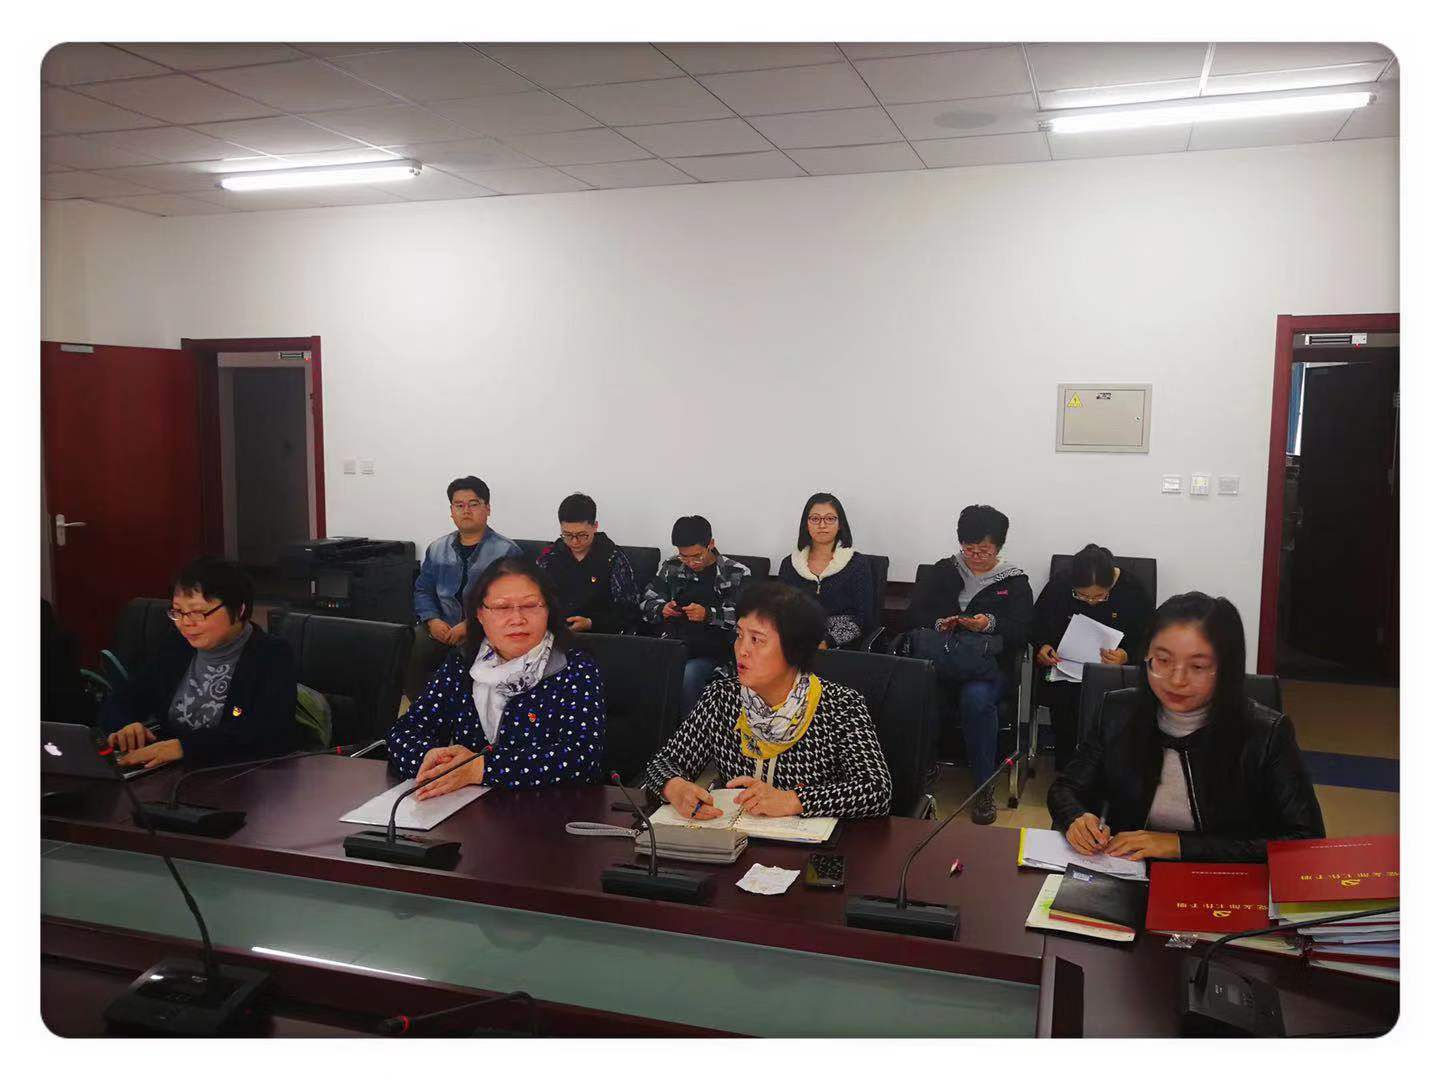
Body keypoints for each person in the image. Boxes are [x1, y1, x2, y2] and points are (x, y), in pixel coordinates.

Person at [1048, 592, 1324, 862]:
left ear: (1227, 668)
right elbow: (1066, 788)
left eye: (1198, 666)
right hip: (1129, 869)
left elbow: (1305, 840)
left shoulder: (1267, 733)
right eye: (1163, 660)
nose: (1176, 680)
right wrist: (1076, 817)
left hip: (1225, 881)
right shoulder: (1117, 711)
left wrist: (1180, 846)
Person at [641, 581, 891, 819]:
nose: (742, 650)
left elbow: (877, 790)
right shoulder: (721, 698)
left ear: (794, 649)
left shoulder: (841, 706)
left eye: (757, 640)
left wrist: (793, 800)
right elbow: (663, 763)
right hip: (737, 839)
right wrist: (674, 787)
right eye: (739, 635)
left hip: (809, 844)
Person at [387, 558, 606, 797]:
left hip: (554, 808)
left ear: (548, 610)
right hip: (466, 807)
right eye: (502, 608)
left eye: (530, 605)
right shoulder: (463, 664)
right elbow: (405, 731)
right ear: (480, 614)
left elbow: (581, 756)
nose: (517, 619)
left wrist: (481, 768)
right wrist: (430, 757)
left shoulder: (574, 667)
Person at [100, 558, 299, 768]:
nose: (185, 623)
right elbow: (123, 699)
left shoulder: (271, 654)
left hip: (237, 774)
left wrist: (184, 748)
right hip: (168, 772)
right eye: (178, 612)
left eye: (197, 612)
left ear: (239, 610)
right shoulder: (178, 645)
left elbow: (269, 734)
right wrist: (126, 725)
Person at [905, 504, 1033, 825]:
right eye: (969, 548)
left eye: (984, 550)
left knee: (976, 699)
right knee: (917, 691)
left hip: (987, 668)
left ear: (998, 547)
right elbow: (915, 614)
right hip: (941, 660)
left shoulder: (1014, 582)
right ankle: (920, 772)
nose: (975, 556)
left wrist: (988, 623)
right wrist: (941, 623)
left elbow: (1023, 631)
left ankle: (983, 786)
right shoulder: (943, 570)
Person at [1031, 544, 1154, 772]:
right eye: (1082, 595)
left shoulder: (1132, 590)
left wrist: (1127, 654)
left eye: (1099, 596)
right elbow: (1036, 622)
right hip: (1065, 668)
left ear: (1111, 584)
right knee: (1064, 698)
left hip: (1113, 671)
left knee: (1109, 702)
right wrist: (1043, 645)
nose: (1091, 602)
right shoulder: (1061, 583)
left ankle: (1106, 769)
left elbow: (1149, 636)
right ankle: (1068, 769)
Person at [408, 476, 522, 699]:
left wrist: (472, 625)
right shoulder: (437, 548)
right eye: (459, 505)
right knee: (408, 645)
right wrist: (432, 620)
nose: (466, 511)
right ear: (451, 511)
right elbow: (423, 590)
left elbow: (512, 602)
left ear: (487, 508)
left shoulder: (507, 552)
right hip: (442, 628)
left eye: (473, 504)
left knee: (467, 660)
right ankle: (422, 711)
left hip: (487, 632)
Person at [640, 515, 752, 718]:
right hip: (673, 644)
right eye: (684, 556)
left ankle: (690, 731)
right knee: (640, 667)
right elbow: (646, 601)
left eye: (697, 556)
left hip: (715, 652)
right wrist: (662, 608)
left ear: (711, 544)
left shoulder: (736, 572)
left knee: (689, 674)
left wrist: (708, 614)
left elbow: (745, 619)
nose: (691, 563)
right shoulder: (672, 567)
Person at [776, 492, 875, 649]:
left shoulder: (857, 564)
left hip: (843, 648)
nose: (822, 525)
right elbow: (780, 612)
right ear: (806, 524)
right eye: (815, 519)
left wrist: (828, 641)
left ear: (840, 524)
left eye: (830, 518)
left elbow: (864, 619)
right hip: (797, 643)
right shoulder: (789, 564)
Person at [536, 492, 640, 634]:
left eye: (581, 535)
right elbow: (534, 599)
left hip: (601, 635)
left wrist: (591, 623)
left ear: (595, 526)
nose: (574, 541)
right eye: (567, 535)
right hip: (554, 633)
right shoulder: (550, 557)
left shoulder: (613, 557)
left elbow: (629, 609)